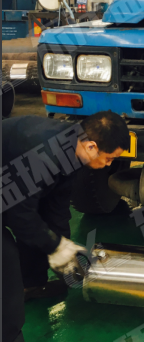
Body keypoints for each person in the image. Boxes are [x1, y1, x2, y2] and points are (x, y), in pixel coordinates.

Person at [2, 111, 130, 342]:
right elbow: (19, 216)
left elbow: (56, 208)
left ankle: (31, 285)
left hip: (9, 188)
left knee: (42, 227)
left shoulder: (72, 147)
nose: (109, 164)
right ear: (91, 146)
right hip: (8, 194)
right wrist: (55, 246)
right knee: (6, 261)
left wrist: (64, 246)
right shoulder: (42, 156)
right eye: (109, 158)